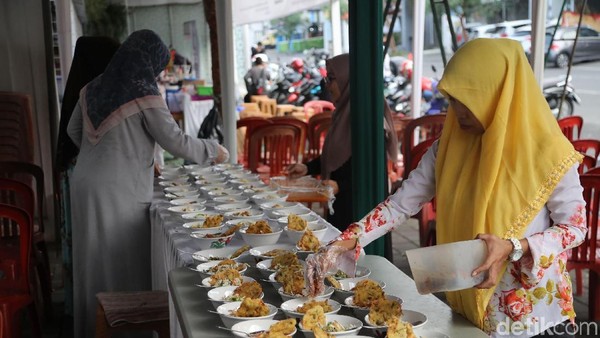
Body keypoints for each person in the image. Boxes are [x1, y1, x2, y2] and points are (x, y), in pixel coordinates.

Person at [306, 39, 587, 337]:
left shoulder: (549, 153)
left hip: (531, 315)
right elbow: (401, 204)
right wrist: (348, 240)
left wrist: (513, 246)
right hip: (468, 302)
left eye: (467, 100)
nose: (457, 111)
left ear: (498, 94)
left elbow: (575, 227)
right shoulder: (448, 148)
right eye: (452, 99)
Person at [67, 29, 229, 337]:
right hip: (118, 187)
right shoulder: (143, 90)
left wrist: (107, 153)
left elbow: (75, 133)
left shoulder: (93, 87)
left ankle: (93, 327)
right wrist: (215, 150)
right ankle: (125, 330)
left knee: (92, 261)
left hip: (85, 182)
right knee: (120, 258)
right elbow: (176, 142)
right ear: (150, 60)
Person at [285, 53, 398, 232]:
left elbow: (370, 169)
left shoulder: (369, 118)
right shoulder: (344, 113)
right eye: (326, 79)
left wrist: (342, 185)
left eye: (331, 79)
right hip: (341, 205)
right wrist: (308, 168)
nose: (327, 86)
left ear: (349, 80)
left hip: (361, 211)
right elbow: (338, 155)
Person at [55, 35, 121, 321]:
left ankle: (77, 308)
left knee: (78, 245)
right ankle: (90, 309)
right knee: (89, 244)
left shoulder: (78, 90)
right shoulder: (93, 92)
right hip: (82, 177)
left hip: (73, 176)